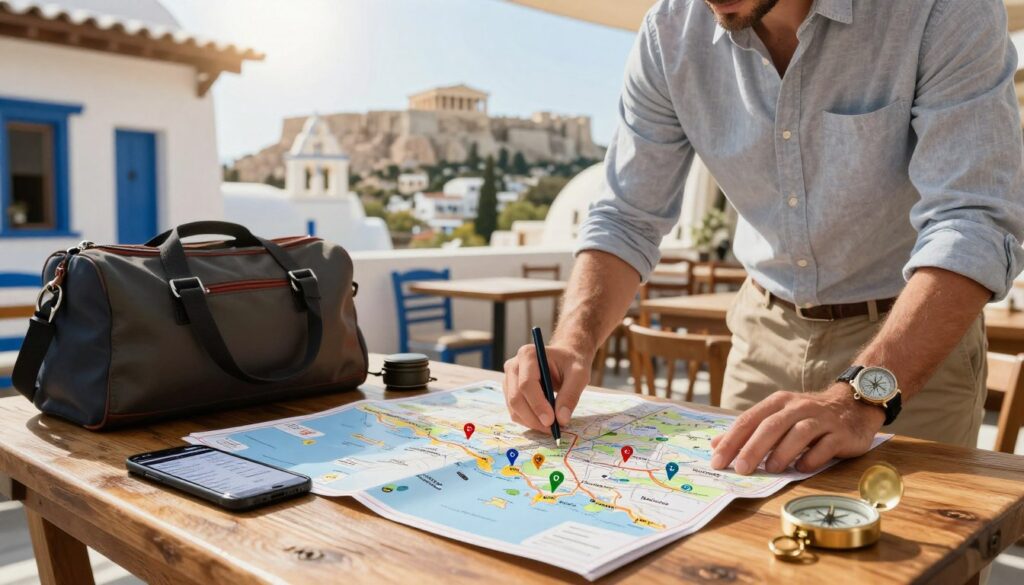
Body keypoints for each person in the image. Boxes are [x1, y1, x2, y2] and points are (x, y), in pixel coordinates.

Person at [502, 0, 1024, 475]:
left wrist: (860, 397)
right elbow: (625, 217)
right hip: (761, 336)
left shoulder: (940, 9)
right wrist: (574, 340)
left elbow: (974, 219)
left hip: (909, 344)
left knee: (906, 544)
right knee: (730, 537)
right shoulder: (669, 34)